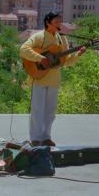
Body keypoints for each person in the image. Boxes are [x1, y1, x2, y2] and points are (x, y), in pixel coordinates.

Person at [20, 12, 86, 146]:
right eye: (56, 21)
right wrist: (40, 58)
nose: (59, 24)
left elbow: (65, 61)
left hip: (54, 79)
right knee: (37, 109)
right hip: (39, 77)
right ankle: (35, 138)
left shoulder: (63, 39)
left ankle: (46, 137)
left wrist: (78, 55)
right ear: (48, 23)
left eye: (60, 22)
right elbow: (23, 49)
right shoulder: (39, 36)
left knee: (50, 111)